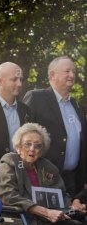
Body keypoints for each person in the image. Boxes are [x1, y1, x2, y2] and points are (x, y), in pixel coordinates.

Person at [23, 56, 87, 196]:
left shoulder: (77, 106)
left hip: (73, 181)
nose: (72, 75)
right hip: (42, 179)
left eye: (74, 72)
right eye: (67, 71)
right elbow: (21, 137)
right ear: (52, 74)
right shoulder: (36, 98)